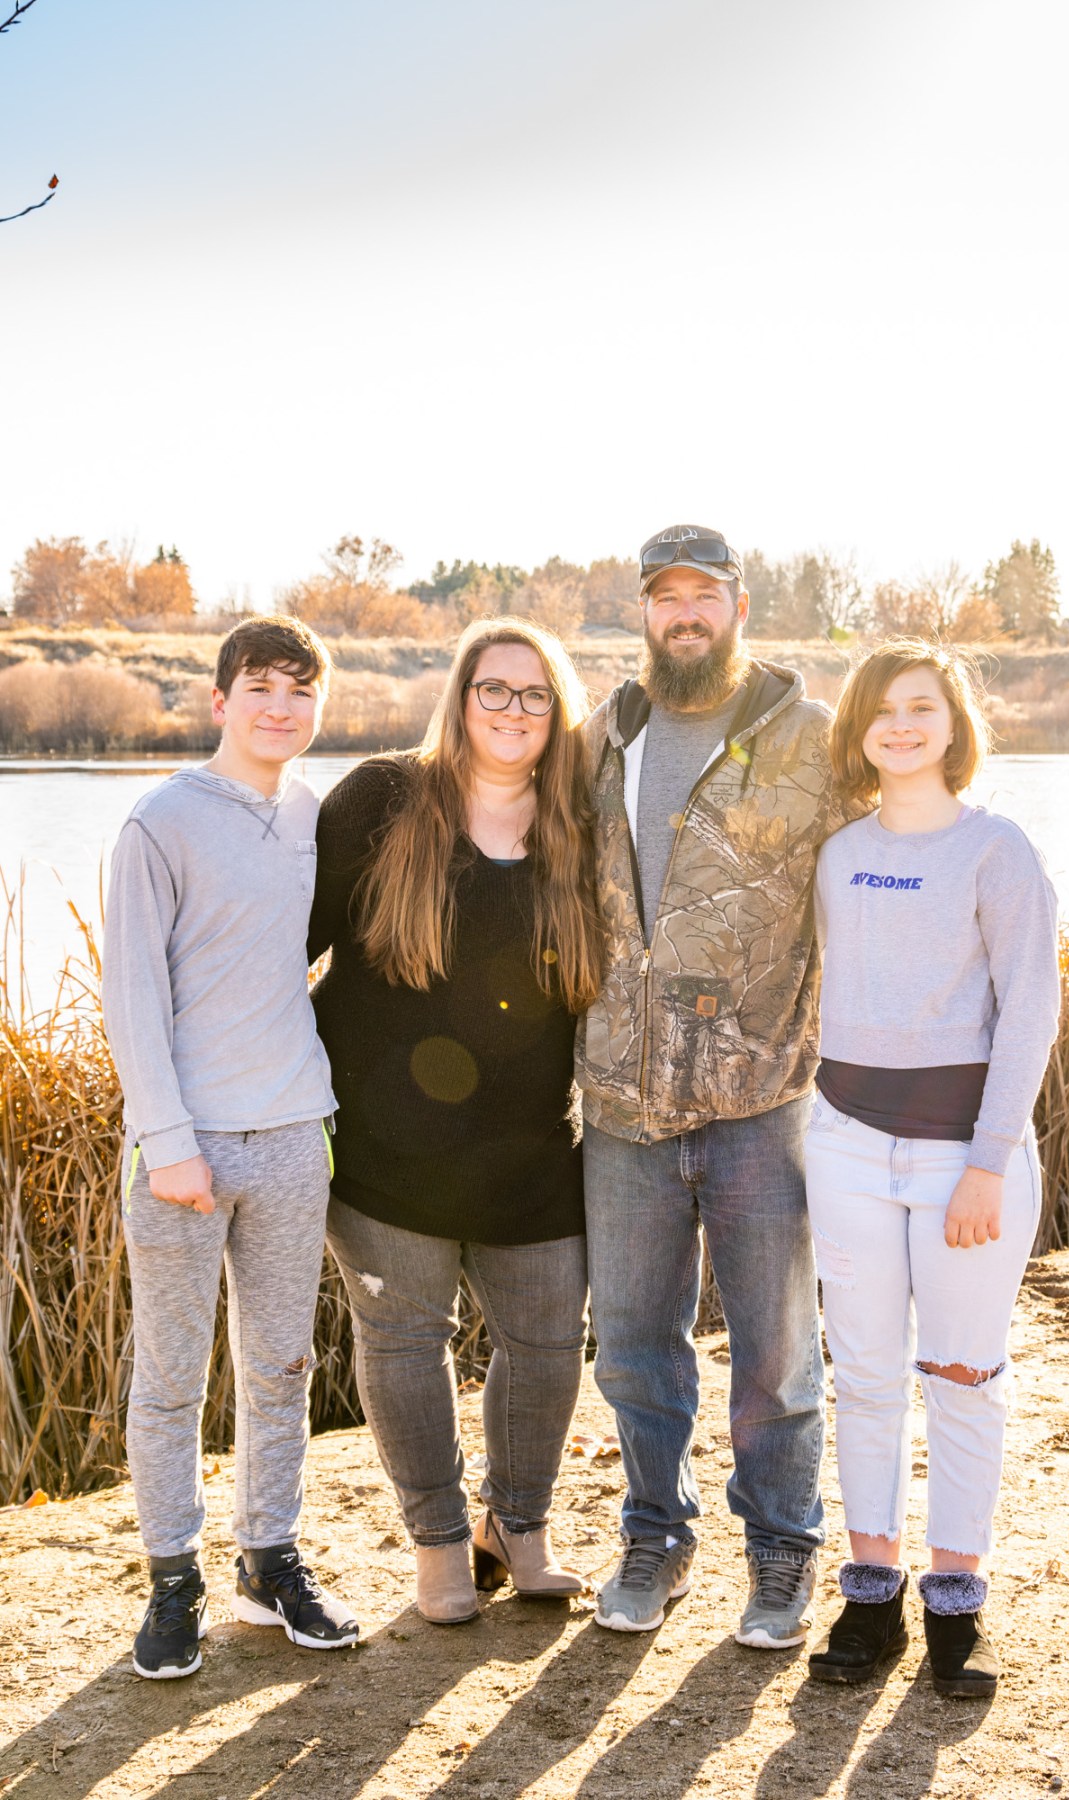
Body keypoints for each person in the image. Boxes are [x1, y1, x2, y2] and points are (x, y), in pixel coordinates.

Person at [579, 523, 853, 1649]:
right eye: (666, 597)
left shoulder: (812, 739)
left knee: (777, 1355)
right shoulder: (602, 738)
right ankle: (657, 1534)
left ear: (741, 607)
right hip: (622, 1107)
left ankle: (783, 1549)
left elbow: (888, 869)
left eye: (705, 595)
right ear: (645, 614)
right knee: (633, 1349)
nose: (684, 614)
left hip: (761, 1100)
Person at [309, 617, 603, 1626]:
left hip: (532, 1151)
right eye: (494, 689)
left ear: (557, 714)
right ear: (462, 698)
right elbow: (285, 946)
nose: (514, 711)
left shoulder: (579, 832)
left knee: (550, 1339)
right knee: (404, 1342)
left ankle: (516, 1529)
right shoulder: (383, 801)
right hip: (386, 1155)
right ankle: (439, 1546)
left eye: (535, 695)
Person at [103, 614, 358, 1680]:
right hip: (186, 1151)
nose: (280, 708)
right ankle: (173, 1578)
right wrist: (168, 1142)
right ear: (220, 701)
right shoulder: (159, 821)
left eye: (301, 690)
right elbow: (130, 996)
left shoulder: (312, 816)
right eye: (260, 686)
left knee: (281, 1366)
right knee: (171, 1378)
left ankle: (268, 1560)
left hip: (295, 1133)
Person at [804, 639, 1059, 1698]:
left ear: (954, 725)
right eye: (881, 710)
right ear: (858, 730)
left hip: (967, 1155)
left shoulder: (996, 850)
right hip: (847, 1144)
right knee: (863, 1376)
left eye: (921, 707)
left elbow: (1031, 1010)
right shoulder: (837, 854)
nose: (901, 726)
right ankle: (873, 1594)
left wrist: (988, 1164)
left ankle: (957, 1602)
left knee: (962, 1374)